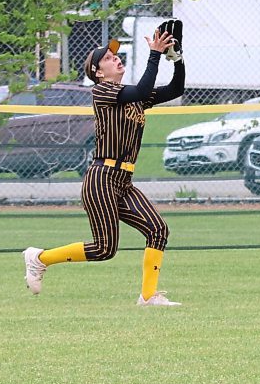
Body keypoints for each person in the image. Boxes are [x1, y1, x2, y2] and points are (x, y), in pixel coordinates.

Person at [23, 22, 185, 306]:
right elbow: (143, 87)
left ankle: (148, 296)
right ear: (98, 72)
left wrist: (177, 57)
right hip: (101, 178)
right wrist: (155, 55)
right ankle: (40, 258)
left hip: (123, 181)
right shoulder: (102, 92)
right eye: (108, 58)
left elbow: (176, 88)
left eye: (115, 55)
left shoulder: (133, 96)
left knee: (158, 229)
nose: (115, 58)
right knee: (104, 248)